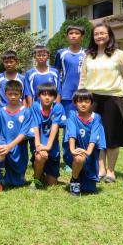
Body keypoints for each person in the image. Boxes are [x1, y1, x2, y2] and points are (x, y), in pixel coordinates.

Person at [79, 23, 123, 183]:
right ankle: (100, 169)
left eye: (102, 33)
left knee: (112, 136)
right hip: (92, 99)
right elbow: (83, 78)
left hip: (113, 98)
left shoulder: (119, 54)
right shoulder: (88, 55)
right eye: (96, 34)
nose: (99, 36)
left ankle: (111, 171)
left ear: (109, 35)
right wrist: (80, 97)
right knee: (96, 135)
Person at [0, 80, 35, 194]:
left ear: (21, 94)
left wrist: (10, 146)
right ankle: (0, 182)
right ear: (5, 94)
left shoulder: (26, 112)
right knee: (0, 153)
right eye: (10, 94)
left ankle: (16, 177)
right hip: (3, 144)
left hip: (18, 147)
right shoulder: (0, 111)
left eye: (16, 94)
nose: (13, 97)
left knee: (17, 183)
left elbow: (23, 133)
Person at [63, 89, 107, 196]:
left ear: (91, 103)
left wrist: (88, 152)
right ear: (75, 102)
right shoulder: (72, 115)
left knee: (89, 190)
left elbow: (94, 137)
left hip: (90, 154)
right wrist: (73, 150)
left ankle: (81, 178)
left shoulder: (96, 117)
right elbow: (72, 133)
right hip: (75, 152)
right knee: (79, 158)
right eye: (80, 101)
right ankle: (74, 180)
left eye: (87, 101)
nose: (83, 104)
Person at [54, 25, 86, 168]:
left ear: (82, 36)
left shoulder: (87, 53)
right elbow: (57, 76)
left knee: (82, 127)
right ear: (67, 36)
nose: (73, 35)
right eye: (71, 33)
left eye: (76, 33)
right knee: (69, 128)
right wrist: (58, 96)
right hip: (67, 97)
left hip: (84, 97)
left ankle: (81, 156)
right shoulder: (61, 53)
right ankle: (68, 159)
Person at [29, 83, 65, 189]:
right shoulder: (35, 106)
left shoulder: (58, 107)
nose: (47, 97)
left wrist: (48, 147)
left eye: (50, 95)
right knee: (40, 157)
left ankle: (44, 174)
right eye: (44, 94)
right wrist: (38, 146)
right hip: (39, 145)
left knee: (52, 183)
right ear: (39, 95)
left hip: (52, 147)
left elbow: (55, 127)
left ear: (55, 97)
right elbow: (35, 126)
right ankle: (36, 179)